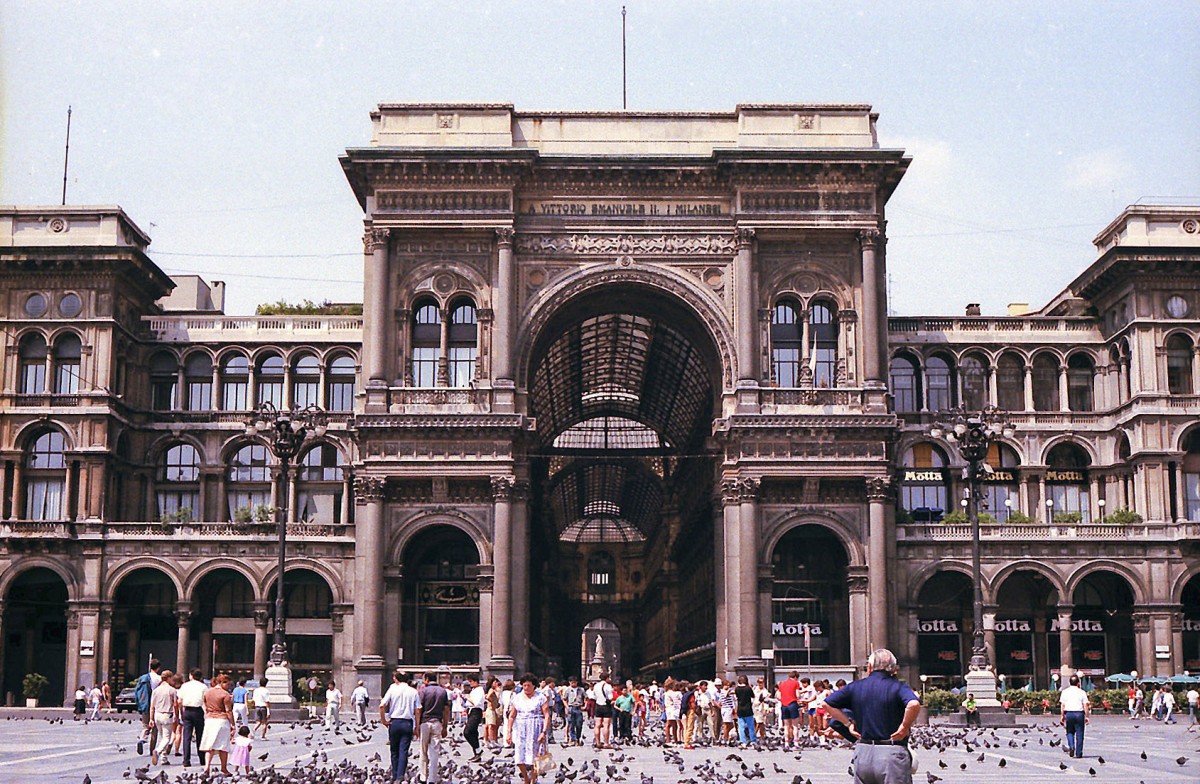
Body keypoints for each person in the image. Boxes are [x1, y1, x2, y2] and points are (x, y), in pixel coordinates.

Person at [823, 649, 922, 784]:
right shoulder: (898, 687)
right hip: (891, 752)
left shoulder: (855, 686)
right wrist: (904, 726)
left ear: (869, 667)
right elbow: (913, 704)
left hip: (863, 752)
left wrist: (848, 724)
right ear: (893, 668)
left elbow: (827, 704)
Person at [506, 673, 552, 784]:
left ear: (534, 686)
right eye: (524, 685)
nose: (526, 688)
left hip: (535, 727)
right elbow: (512, 716)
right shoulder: (517, 698)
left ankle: (533, 779)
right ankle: (525, 778)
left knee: (534, 756)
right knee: (519, 756)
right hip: (521, 728)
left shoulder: (540, 697)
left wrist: (544, 732)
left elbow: (546, 715)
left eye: (529, 685)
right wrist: (509, 732)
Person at [380, 669, 419, 783]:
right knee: (403, 751)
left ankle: (394, 774)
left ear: (397, 679)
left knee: (394, 750)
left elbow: (382, 706)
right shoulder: (413, 691)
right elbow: (418, 710)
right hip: (407, 723)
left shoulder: (392, 688)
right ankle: (400, 776)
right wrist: (416, 726)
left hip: (394, 722)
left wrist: (384, 720)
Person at [415, 671, 450, 784]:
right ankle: (432, 779)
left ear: (426, 679)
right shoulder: (443, 691)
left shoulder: (423, 691)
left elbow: (419, 709)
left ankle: (423, 776)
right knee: (434, 751)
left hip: (425, 723)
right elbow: (446, 710)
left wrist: (416, 725)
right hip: (437, 723)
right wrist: (445, 726)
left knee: (423, 750)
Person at [199, 673, 235, 775]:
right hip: (221, 720)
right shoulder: (225, 694)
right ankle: (223, 768)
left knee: (209, 746)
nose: (228, 686)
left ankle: (207, 767)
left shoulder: (207, 692)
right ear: (222, 682)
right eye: (227, 684)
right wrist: (233, 724)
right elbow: (228, 711)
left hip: (209, 720)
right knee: (223, 746)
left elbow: (204, 706)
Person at [178, 669, 208, 767]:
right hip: (198, 711)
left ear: (191, 675)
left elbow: (179, 701)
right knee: (200, 735)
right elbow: (205, 701)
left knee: (187, 736)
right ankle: (202, 759)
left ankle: (186, 760)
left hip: (187, 710)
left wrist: (181, 713)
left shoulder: (185, 686)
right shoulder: (203, 687)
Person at [149, 669, 179, 766]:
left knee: (162, 737)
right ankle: (157, 751)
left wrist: (151, 718)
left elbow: (152, 706)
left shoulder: (156, 690)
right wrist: (177, 716)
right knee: (166, 738)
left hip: (157, 714)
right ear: (169, 678)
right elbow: (175, 705)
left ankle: (164, 758)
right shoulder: (172, 690)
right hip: (167, 715)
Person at [134, 659, 163, 753]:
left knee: (146, 726)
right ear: (158, 668)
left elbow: (136, 692)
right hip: (156, 705)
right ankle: (152, 749)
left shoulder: (143, 678)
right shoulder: (159, 679)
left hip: (145, 704)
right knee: (155, 728)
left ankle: (142, 739)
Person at [1059, 674, 1090, 758]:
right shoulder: (1082, 692)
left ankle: (1071, 746)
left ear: (1070, 683)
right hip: (1079, 714)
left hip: (1069, 713)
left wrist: (1062, 716)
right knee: (1080, 733)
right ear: (1078, 683)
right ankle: (1079, 753)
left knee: (1069, 732)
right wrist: (1087, 716)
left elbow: (1062, 705)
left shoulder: (1065, 692)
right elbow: (1085, 705)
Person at [463, 674, 485, 761]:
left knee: (467, 732)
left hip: (476, 711)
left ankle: (478, 750)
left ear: (476, 681)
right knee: (474, 733)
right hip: (471, 711)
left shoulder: (480, 690)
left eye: (471, 681)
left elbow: (476, 702)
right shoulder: (474, 690)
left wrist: (468, 698)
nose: (470, 683)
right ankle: (476, 753)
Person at [777, 671, 801, 747]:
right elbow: (797, 695)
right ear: (796, 677)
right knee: (795, 725)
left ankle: (786, 742)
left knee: (786, 725)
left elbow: (779, 696)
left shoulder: (782, 684)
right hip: (792, 704)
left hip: (784, 705)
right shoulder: (796, 683)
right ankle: (796, 742)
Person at [733, 675, 756, 746]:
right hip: (748, 709)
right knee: (750, 726)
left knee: (741, 727)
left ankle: (743, 741)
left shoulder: (737, 689)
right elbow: (753, 696)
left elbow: (737, 697)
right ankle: (752, 740)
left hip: (740, 709)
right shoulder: (748, 688)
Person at [593, 673, 614, 749]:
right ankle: (606, 743)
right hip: (606, 706)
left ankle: (598, 742)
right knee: (606, 725)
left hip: (598, 706)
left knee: (597, 725)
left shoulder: (596, 685)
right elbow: (610, 697)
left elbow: (594, 696)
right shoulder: (608, 686)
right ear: (607, 678)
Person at [565, 675, 586, 746]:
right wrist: (567, 707)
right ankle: (573, 739)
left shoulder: (581, 690)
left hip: (578, 707)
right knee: (571, 724)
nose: (573, 684)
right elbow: (564, 699)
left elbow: (586, 698)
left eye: (574, 682)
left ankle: (578, 737)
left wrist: (585, 706)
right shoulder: (567, 690)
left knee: (579, 724)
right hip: (571, 707)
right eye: (572, 682)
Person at [484, 677, 502, 746]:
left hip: (491, 709)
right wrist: (492, 701)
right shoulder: (491, 690)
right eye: (494, 682)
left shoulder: (492, 690)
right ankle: (492, 740)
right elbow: (488, 697)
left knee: (488, 725)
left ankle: (486, 740)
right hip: (491, 709)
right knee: (491, 725)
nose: (495, 684)